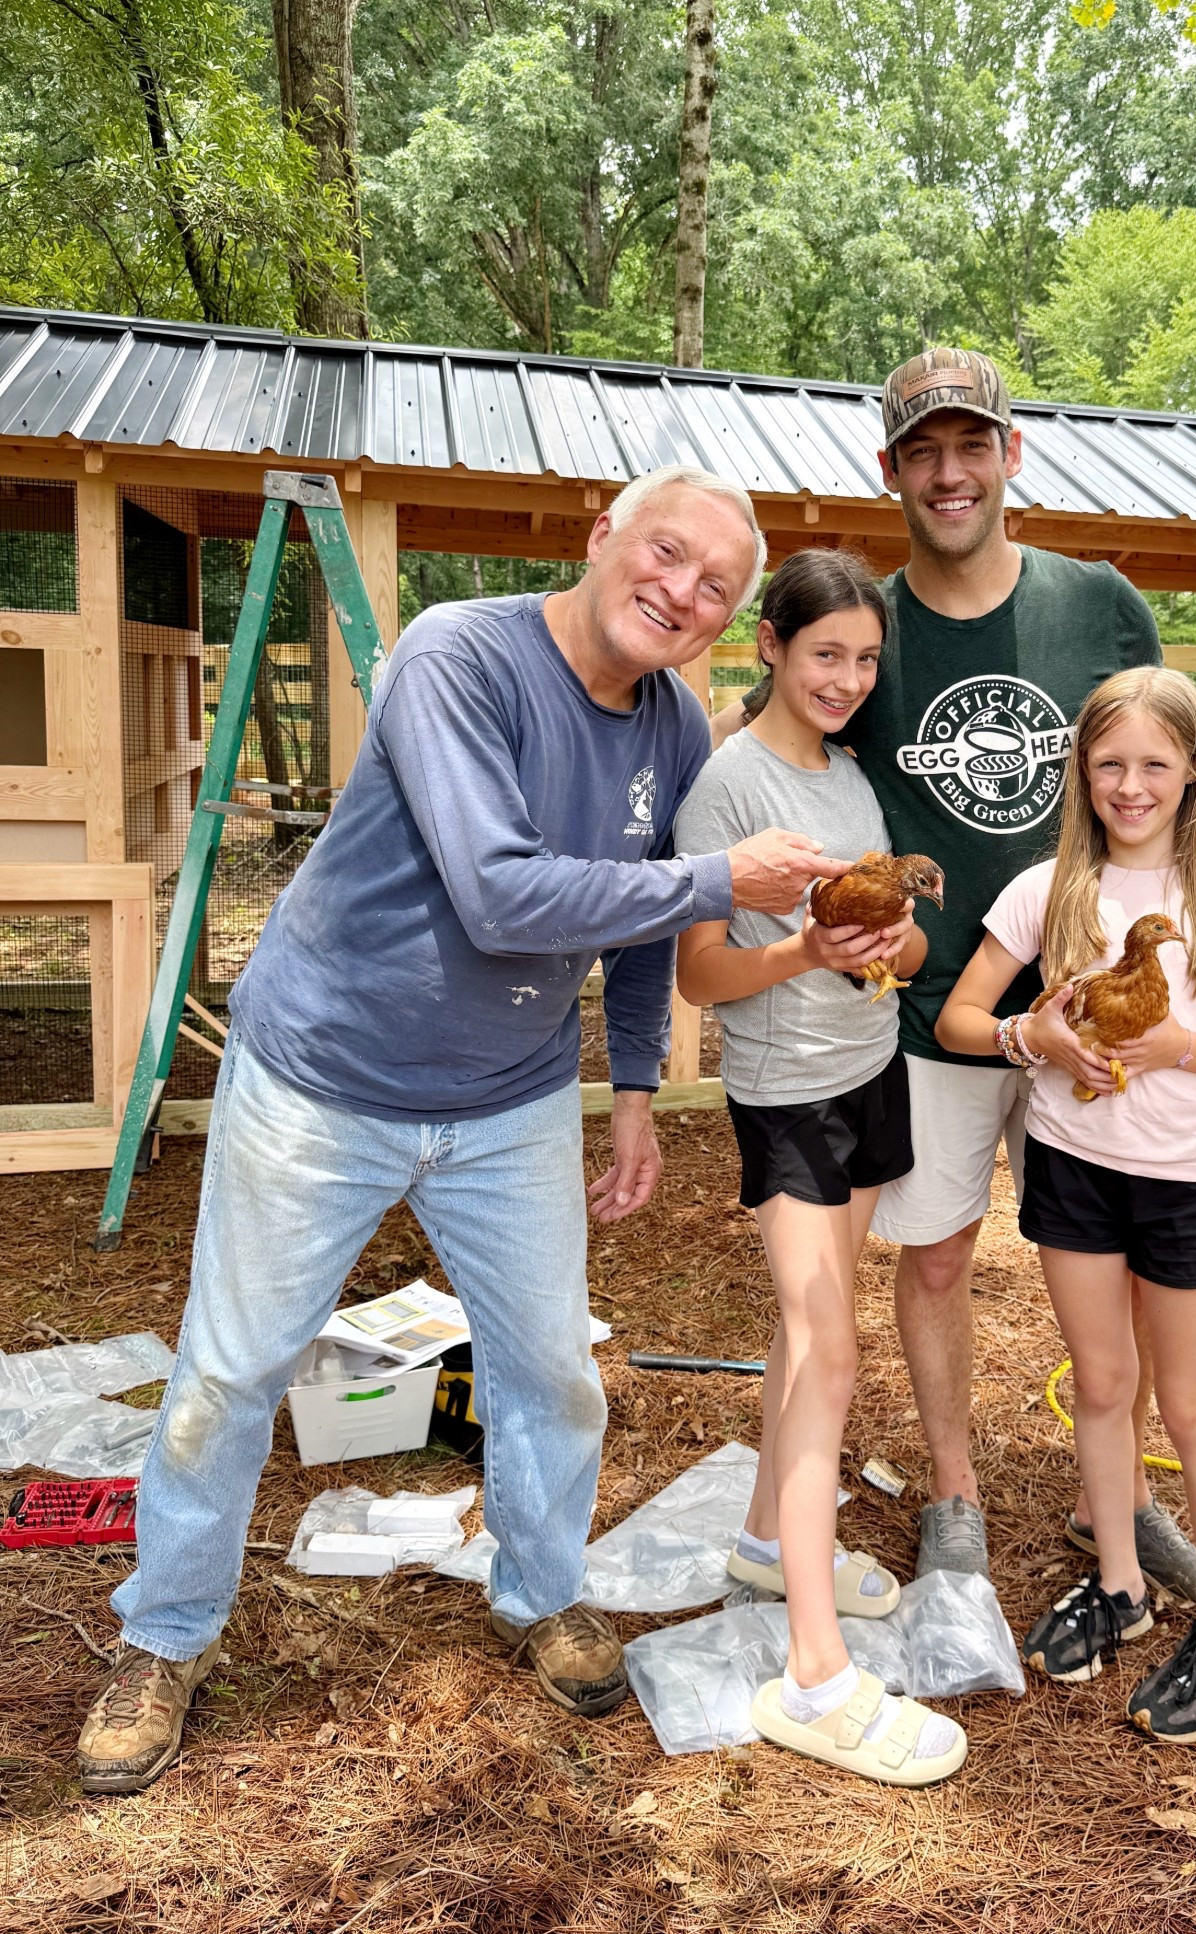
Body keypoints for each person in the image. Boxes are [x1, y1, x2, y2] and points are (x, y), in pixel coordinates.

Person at [75, 465, 852, 1796]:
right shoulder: (458, 657)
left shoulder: (670, 724)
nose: (680, 592)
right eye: (665, 555)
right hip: (327, 1073)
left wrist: (632, 1089)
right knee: (231, 1370)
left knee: (551, 1370)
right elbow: (499, 893)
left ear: (730, 623)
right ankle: (165, 1633)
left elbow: (644, 917)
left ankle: (542, 1589)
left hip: (510, 1096)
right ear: (603, 537)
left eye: (716, 588)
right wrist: (728, 877)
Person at [715, 346, 1196, 1596]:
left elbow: (1188, 741)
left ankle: (1124, 1500)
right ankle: (952, 1489)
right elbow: (774, 721)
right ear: (891, 472)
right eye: (922, 451)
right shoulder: (867, 624)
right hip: (938, 1009)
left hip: (1094, 1011)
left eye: (969, 445)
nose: (948, 472)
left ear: (1009, 456)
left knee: (1121, 1265)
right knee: (934, 1256)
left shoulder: (1097, 602)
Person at [936, 667, 1196, 1740]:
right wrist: (1032, 1035)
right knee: (1103, 1384)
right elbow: (965, 1017)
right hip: (1071, 1170)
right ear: (1082, 772)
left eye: (1156, 763)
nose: (1132, 784)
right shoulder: (1044, 888)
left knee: (1190, 1403)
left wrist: (1180, 1047)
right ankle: (1118, 1581)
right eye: (1110, 764)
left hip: (1185, 1183)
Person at [673, 550, 964, 1785]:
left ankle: (759, 1541)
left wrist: (897, 940)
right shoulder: (725, 787)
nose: (846, 677)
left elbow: (886, 934)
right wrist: (798, 952)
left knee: (807, 1345)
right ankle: (814, 1674)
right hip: (787, 1095)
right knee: (830, 1344)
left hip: (868, 1072)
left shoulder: (849, 776)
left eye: (863, 657)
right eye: (824, 653)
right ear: (773, 650)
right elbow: (700, 975)